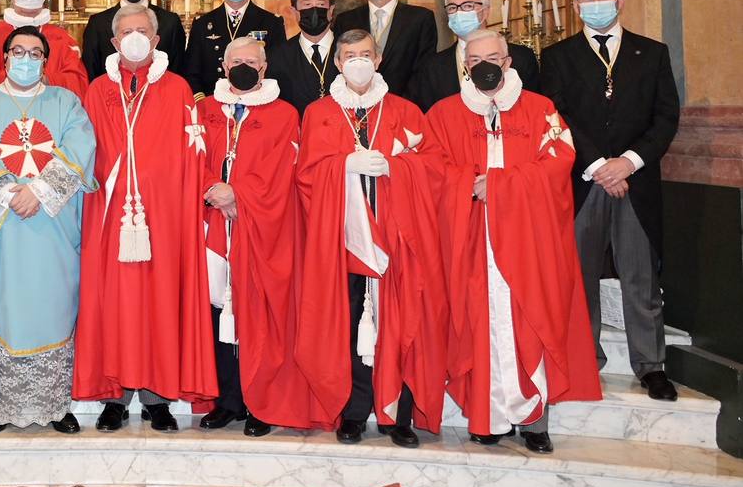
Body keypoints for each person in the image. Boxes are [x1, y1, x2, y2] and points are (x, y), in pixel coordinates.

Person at [425, 30, 603, 452]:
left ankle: (535, 420)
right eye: (474, 59)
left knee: (530, 314)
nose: (483, 65)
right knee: (479, 320)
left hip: (527, 240)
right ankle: (487, 416)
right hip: (472, 237)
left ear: (508, 61)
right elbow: (432, 167)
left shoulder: (541, 109)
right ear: (465, 66)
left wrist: (500, 186)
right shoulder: (444, 113)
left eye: (492, 57)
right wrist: (471, 185)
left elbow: (559, 162)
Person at [296, 30, 448, 449]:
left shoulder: (405, 110)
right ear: (338, 63)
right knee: (347, 328)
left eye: (366, 54)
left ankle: (398, 415)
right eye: (350, 55)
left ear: (378, 59)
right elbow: (306, 176)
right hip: (343, 241)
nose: (359, 61)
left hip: (395, 240)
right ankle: (354, 412)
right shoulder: (319, 113)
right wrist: (344, 164)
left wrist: (397, 169)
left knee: (399, 325)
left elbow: (434, 168)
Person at [540, 0, 681, 402]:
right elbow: (556, 116)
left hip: (636, 182)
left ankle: (650, 365)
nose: (596, 2)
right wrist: (600, 165)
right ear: (577, 5)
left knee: (640, 277)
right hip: (584, 182)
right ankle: (587, 359)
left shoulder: (652, 53)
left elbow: (665, 117)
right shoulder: (558, 56)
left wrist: (628, 162)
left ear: (619, 1)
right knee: (579, 278)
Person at [75, 5, 217, 430]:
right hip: (110, 213)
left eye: (143, 31)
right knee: (113, 301)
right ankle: (114, 397)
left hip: (162, 216)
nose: (134, 37)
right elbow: (84, 151)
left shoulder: (178, 90)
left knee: (158, 300)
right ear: (114, 43)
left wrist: (187, 203)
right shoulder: (98, 90)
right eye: (126, 32)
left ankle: (157, 397)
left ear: (156, 41)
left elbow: (194, 154)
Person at [0, 27, 96, 433]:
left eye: (35, 52)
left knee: (52, 308)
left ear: (45, 60)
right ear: (4, 58)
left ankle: (54, 405)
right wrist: (10, 194)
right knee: (3, 306)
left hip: (51, 227)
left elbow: (79, 149)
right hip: (0, 228)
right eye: (18, 51)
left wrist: (39, 191)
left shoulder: (66, 103)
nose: (26, 58)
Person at [195, 37, 317, 436]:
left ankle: (259, 402)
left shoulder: (284, 114)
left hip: (264, 231)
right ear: (223, 66)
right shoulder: (205, 109)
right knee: (216, 312)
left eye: (251, 61)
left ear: (264, 68)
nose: (243, 67)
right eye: (236, 61)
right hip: (213, 226)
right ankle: (227, 400)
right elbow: (188, 159)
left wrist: (241, 197)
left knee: (257, 314)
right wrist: (215, 189)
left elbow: (286, 170)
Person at [409, 0, 540, 110]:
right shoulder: (431, 67)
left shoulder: (521, 57)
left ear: (485, 11)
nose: (458, 13)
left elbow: (533, 108)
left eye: (467, 6)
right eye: (452, 8)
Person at [333, 0, 437, 103]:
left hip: (403, 108)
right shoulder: (345, 20)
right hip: (356, 107)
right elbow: (340, 69)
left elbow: (424, 71)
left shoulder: (420, 19)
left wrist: (400, 107)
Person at [182, 0, 288, 97]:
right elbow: (191, 73)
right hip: (213, 104)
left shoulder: (272, 23)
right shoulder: (202, 24)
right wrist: (203, 103)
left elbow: (278, 70)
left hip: (256, 102)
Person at [0, 0, 88, 99]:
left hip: (48, 105)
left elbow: (78, 81)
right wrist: (16, 79)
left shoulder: (62, 38)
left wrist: (46, 80)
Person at [81, 0, 185, 81]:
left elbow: (178, 71)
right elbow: (90, 73)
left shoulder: (170, 22)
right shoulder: (98, 24)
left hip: (160, 97)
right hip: (111, 96)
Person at [266, 0, 342, 114]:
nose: (314, 10)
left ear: (331, 10)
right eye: (306, 4)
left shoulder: (350, 52)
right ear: (294, 11)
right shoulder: (277, 56)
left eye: (321, 4)